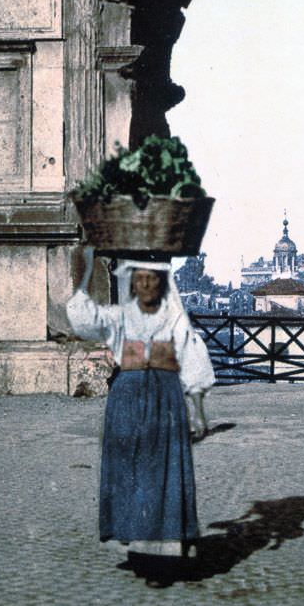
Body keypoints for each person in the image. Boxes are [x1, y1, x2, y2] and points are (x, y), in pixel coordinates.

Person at [66, 245, 215, 576]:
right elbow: (83, 319)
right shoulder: (119, 317)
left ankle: (169, 546)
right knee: (131, 467)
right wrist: (87, 271)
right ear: (133, 284)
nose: (146, 285)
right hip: (127, 399)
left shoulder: (172, 317)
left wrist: (198, 411)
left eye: (152, 279)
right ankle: (137, 541)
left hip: (166, 398)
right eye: (140, 279)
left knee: (163, 469)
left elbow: (191, 357)